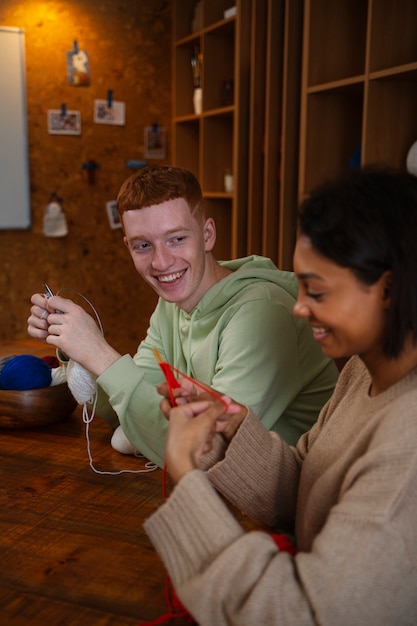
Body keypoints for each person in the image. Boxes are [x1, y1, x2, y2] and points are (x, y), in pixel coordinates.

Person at [144, 166, 417, 624]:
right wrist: (230, 429)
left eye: (318, 291)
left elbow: (297, 615)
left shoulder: (407, 449)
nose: (299, 306)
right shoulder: (360, 371)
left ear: (387, 289)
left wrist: (187, 473)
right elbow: (309, 486)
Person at [27, 165, 338, 468]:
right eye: (144, 245)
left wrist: (99, 352)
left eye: (177, 239)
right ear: (128, 247)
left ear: (207, 234)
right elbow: (130, 413)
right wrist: (77, 351)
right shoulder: (170, 306)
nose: (161, 262)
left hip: (296, 502)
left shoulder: (263, 313)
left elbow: (206, 452)